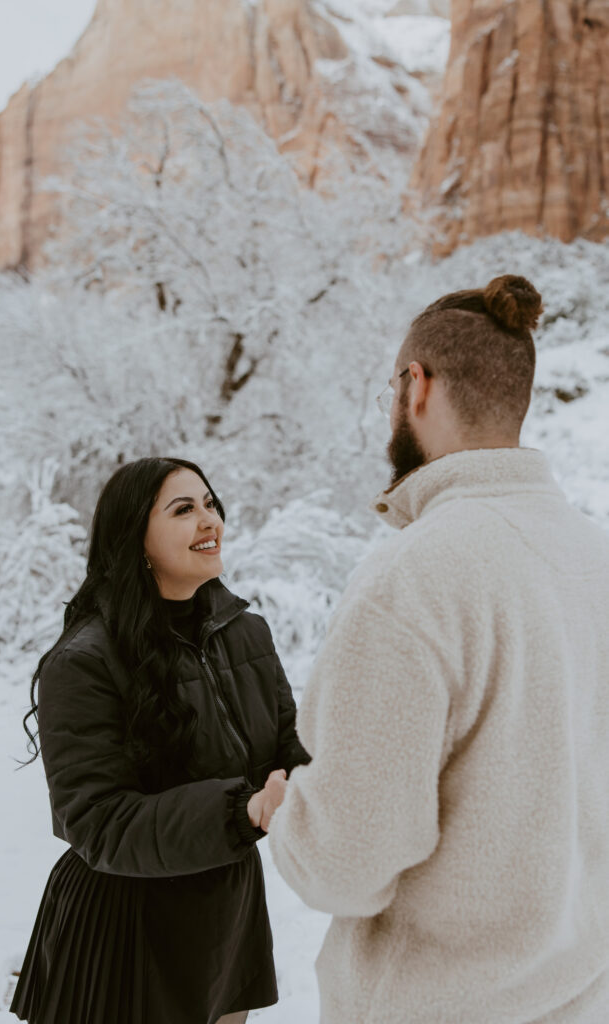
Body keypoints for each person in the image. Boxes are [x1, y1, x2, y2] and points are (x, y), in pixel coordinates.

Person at [264, 275, 609, 1022]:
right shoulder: (594, 556)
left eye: (393, 386)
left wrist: (283, 813)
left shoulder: (412, 575)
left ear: (414, 385)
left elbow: (347, 865)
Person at [10, 456, 309, 1024]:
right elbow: (99, 821)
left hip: (226, 909)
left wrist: (303, 775)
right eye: (183, 509)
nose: (209, 520)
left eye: (211, 504)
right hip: (124, 925)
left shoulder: (246, 632)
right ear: (136, 540)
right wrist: (241, 810)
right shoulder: (84, 661)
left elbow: (287, 748)